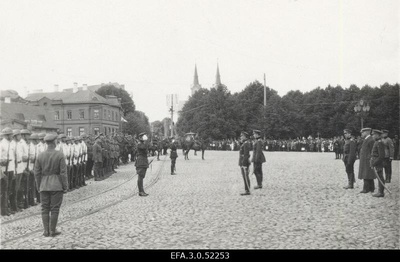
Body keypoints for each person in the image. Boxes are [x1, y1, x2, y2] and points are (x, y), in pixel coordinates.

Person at [34, 133, 68, 237]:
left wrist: (39, 186)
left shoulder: (40, 155)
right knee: (55, 208)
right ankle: (52, 230)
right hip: (56, 185)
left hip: (44, 185)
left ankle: (46, 231)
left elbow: (37, 173)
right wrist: (65, 186)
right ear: (54, 142)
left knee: (44, 208)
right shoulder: (60, 154)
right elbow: (63, 173)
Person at [0, 127, 16, 216]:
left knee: (8, 190)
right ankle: (3, 210)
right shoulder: (1, 144)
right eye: (11, 135)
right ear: (6, 135)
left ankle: (7, 208)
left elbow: (12, 159)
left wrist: (13, 171)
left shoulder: (11, 144)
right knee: (3, 191)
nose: (12, 136)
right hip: (4, 171)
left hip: (10, 169)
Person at [358, 128, 376, 194]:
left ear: (367, 132)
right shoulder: (367, 139)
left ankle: (366, 188)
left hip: (367, 160)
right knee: (367, 174)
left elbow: (372, 151)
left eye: (363, 132)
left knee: (366, 174)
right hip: (365, 160)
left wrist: (371, 158)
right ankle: (371, 188)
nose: (362, 134)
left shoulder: (370, 140)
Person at [370, 130, 386, 197]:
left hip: (378, 163)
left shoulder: (379, 143)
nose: (373, 136)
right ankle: (380, 191)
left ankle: (381, 192)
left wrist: (374, 163)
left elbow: (381, 156)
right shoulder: (376, 142)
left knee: (380, 177)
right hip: (376, 162)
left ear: (378, 135)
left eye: (374, 135)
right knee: (379, 176)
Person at [135, 132, 149, 196]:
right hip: (141, 161)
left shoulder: (143, 143)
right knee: (140, 176)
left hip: (143, 160)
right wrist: (146, 141)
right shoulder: (139, 144)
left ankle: (142, 190)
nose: (145, 138)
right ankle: (140, 191)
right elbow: (143, 148)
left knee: (142, 176)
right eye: (143, 137)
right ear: (140, 138)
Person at [239, 131, 251, 196]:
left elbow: (246, 154)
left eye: (242, 136)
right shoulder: (244, 143)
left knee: (246, 176)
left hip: (244, 162)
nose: (241, 137)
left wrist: (244, 164)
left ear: (245, 137)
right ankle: (247, 189)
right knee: (244, 176)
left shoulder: (246, 143)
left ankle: (247, 190)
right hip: (242, 161)